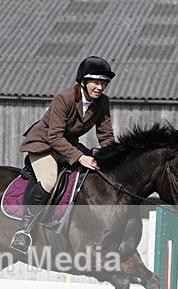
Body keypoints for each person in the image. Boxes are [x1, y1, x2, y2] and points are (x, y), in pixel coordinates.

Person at [10, 55, 117, 254]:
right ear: (83, 82)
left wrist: (112, 156)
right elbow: (54, 136)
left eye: (104, 83)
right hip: (43, 145)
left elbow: (106, 134)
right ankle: (24, 231)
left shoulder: (102, 102)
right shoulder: (65, 98)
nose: (100, 87)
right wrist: (80, 157)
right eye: (96, 82)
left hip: (66, 145)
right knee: (49, 181)